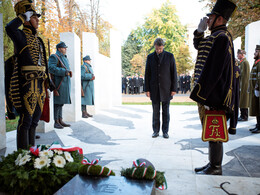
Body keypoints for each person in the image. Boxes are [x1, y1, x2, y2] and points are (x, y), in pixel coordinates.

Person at [190, 0, 238, 175]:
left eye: (211, 17)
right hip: (212, 95)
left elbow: (215, 72)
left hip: (215, 95)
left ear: (220, 19)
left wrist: (207, 97)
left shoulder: (222, 38)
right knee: (210, 130)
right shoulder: (216, 36)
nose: (208, 20)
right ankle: (212, 163)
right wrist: (199, 32)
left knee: (215, 131)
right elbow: (199, 47)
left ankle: (216, 166)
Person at [5, 0, 51, 149]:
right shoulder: (20, 35)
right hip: (26, 84)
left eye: (37, 17)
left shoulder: (38, 40)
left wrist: (48, 82)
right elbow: (9, 28)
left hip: (39, 85)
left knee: (35, 120)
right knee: (25, 120)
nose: (37, 20)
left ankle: (32, 153)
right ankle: (22, 156)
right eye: (33, 17)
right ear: (26, 19)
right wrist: (22, 16)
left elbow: (44, 61)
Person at [144, 38, 177, 139]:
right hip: (154, 89)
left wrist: (174, 88)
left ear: (163, 47)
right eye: (157, 49)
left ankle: (165, 131)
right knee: (155, 111)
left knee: (166, 112)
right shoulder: (150, 57)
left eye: (160, 49)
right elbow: (147, 74)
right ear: (154, 46)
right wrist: (147, 89)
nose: (158, 50)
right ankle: (155, 131)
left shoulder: (170, 56)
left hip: (166, 89)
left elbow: (174, 73)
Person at [48, 42, 72, 128]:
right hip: (58, 83)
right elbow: (51, 68)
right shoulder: (54, 56)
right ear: (59, 48)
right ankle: (56, 121)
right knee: (57, 103)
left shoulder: (64, 57)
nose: (65, 49)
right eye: (64, 48)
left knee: (61, 103)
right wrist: (63, 72)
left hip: (64, 83)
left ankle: (60, 119)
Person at [249, 45, 260, 133]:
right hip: (254, 89)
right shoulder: (256, 62)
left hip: (258, 89)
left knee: (258, 108)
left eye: (256, 51)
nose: (254, 53)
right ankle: (258, 125)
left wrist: (257, 87)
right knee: (256, 108)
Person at [237, 49, 250, 121]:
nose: (237, 55)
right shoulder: (241, 62)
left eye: (238, 54)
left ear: (242, 54)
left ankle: (244, 116)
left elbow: (246, 76)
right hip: (240, 84)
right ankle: (242, 115)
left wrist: (243, 86)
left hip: (243, 85)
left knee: (244, 101)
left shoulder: (245, 63)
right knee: (241, 101)